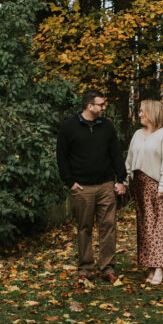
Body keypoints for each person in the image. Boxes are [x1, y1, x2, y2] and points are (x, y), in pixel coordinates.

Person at [56, 89, 127, 284]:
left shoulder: (107, 127)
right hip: (82, 188)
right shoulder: (69, 127)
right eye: (101, 105)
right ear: (90, 106)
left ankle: (108, 269)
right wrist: (69, 182)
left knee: (108, 227)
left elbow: (116, 154)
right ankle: (85, 268)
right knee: (84, 228)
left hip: (106, 185)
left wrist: (121, 179)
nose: (104, 107)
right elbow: (61, 157)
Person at [124, 98, 163, 286]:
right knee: (145, 228)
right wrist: (125, 179)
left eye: (142, 111)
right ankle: (149, 265)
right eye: (139, 111)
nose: (139, 114)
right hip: (139, 186)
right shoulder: (138, 134)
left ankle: (159, 269)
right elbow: (130, 160)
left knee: (159, 227)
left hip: (157, 187)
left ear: (152, 113)